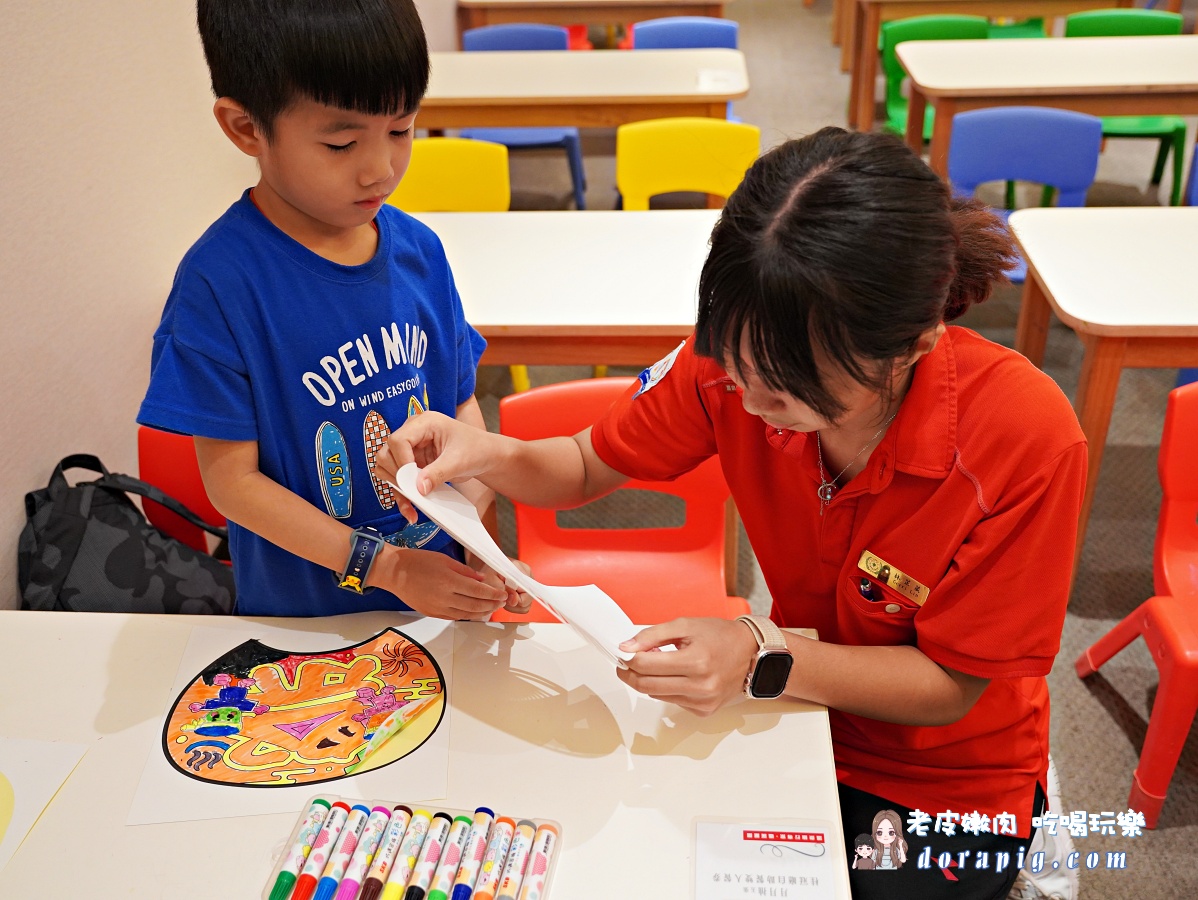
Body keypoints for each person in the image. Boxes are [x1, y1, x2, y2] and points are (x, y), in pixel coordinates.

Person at [378, 127, 1087, 900]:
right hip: (791, 710)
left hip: (948, 778)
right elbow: (584, 464)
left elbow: (953, 684)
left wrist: (757, 653)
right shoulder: (733, 361)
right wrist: (485, 452)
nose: (748, 404)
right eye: (736, 368)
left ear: (912, 347)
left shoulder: (1024, 438)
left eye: (783, 392)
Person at [138, 0, 529, 619]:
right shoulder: (221, 284)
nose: (381, 169)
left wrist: (482, 536)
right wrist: (389, 567)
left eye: (401, 130)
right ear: (246, 129)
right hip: (305, 620)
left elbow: (458, 407)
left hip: (438, 599)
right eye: (342, 142)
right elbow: (232, 484)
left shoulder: (419, 252)